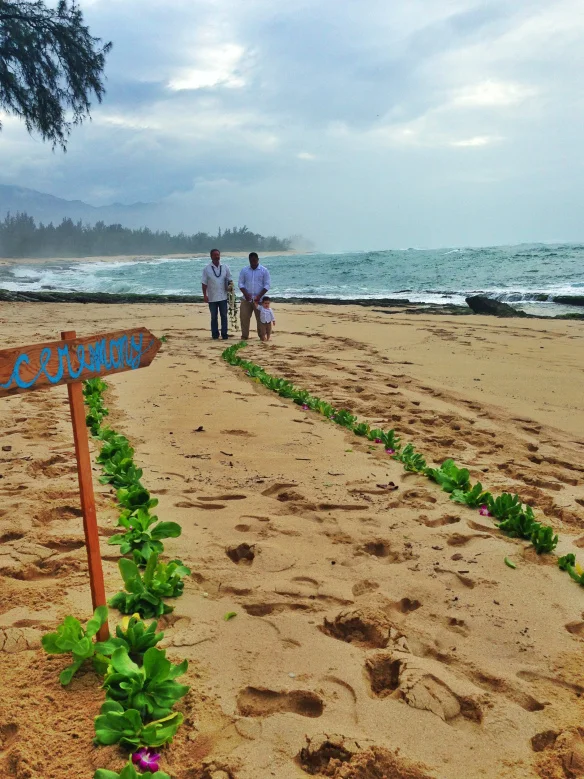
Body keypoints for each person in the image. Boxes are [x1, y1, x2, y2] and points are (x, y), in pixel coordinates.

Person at [238, 252, 271, 340]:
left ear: (258, 260)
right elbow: (240, 283)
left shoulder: (264, 270)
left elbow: (267, 285)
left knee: (261, 318)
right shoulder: (244, 270)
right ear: (249, 260)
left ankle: (262, 336)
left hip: (259, 300)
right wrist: (245, 294)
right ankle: (244, 336)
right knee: (244, 317)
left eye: (255, 260)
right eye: (251, 260)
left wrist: (259, 296)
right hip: (246, 299)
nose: (253, 262)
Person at [201, 249, 232, 340]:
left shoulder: (225, 267)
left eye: (218, 255)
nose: (216, 256)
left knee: (224, 316)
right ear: (211, 256)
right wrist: (205, 295)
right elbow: (204, 283)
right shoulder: (206, 269)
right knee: (214, 317)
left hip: (223, 296)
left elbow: (230, 279)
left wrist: (230, 288)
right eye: (214, 255)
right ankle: (215, 334)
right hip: (212, 297)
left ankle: (224, 334)